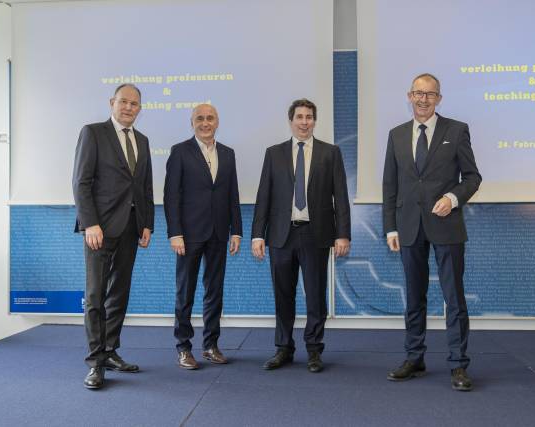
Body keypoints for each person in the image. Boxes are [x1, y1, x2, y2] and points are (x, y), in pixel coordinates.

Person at [383, 73, 481, 391]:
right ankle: (414, 358)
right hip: (409, 227)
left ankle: (458, 365)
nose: (423, 99)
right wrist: (390, 228)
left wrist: (453, 198)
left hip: (446, 226)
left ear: (439, 98)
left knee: (453, 298)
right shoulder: (396, 135)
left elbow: (472, 177)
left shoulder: (457, 130)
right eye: (418, 93)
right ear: (409, 96)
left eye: (430, 94)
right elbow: (390, 186)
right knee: (414, 297)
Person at [252, 98, 351, 373]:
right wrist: (257, 235)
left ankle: (314, 350)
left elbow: (340, 197)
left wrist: (343, 234)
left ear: (314, 121)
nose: (304, 122)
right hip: (281, 236)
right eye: (299, 117)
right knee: (283, 295)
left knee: (315, 296)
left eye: (309, 117)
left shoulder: (330, 153)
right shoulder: (274, 153)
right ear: (291, 120)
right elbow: (264, 197)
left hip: (316, 235)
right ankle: (283, 348)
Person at [72, 83, 154, 389]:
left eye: (135, 104)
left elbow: (144, 186)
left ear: (140, 109)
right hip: (100, 230)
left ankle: (110, 351)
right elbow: (81, 181)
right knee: (95, 296)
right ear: (112, 102)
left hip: (131, 229)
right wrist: (90, 224)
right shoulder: (93, 133)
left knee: (119, 294)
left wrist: (147, 224)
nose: (129, 107)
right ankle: (95, 363)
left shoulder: (143, 141)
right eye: (124, 102)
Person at [164, 103, 242, 369]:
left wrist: (237, 231)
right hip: (188, 235)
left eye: (210, 118)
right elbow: (171, 196)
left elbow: (233, 195)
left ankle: (210, 345)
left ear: (217, 121)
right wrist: (174, 232)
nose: (205, 122)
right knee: (185, 291)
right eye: (200, 118)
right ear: (192, 122)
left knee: (214, 291)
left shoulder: (228, 154)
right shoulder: (179, 152)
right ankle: (184, 348)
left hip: (219, 233)